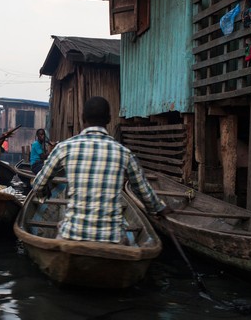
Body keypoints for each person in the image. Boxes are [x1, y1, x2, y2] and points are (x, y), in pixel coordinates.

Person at [31, 96, 172, 244]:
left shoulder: (64, 148)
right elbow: (143, 191)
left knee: (62, 230)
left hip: (73, 234)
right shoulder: (124, 153)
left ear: (83, 118)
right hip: (113, 238)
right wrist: (159, 208)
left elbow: (38, 184)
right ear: (109, 119)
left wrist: (43, 194)